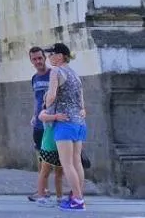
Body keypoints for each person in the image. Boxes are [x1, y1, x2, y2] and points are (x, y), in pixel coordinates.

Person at [40, 42, 87, 211]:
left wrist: (45, 103)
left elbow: (52, 96)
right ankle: (77, 196)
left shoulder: (56, 71)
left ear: (60, 56)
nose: (49, 57)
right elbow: (82, 104)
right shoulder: (75, 74)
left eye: (51, 54)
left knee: (66, 164)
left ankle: (78, 200)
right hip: (79, 123)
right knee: (76, 162)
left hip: (64, 122)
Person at [27, 45, 63, 206]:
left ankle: (59, 194)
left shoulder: (53, 74)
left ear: (44, 58)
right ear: (31, 61)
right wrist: (34, 116)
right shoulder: (34, 78)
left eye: (40, 58)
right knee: (41, 159)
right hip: (38, 125)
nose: (38, 61)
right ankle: (44, 190)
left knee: (56, 162)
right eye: (34, 59)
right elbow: (36, 99)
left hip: (52, 124)